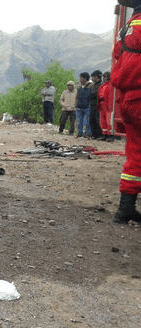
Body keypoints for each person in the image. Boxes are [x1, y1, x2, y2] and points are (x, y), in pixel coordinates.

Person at [111, 0, 141, 223]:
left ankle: (126, 208)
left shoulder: (126, 29)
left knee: (136, 152)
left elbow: (116, 56)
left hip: (128, 100)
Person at [98, 71, 115, 141]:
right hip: (102, 104)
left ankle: (110, 135)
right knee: (103, 120)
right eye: (103, 76)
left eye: (105, 76)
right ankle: (104, 134)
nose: (103, 77)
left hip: (109, 105)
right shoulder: (103, 85)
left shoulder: (111, 85)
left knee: (109, 120)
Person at [75, 72, 93, 138]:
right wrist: (76, 104)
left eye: (80, 77)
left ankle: (88, 134)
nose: (79, 79)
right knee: (79, 121)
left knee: (87, 121)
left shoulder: (91, 85)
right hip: (79, 106)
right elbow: (77, 96)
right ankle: (79, 133)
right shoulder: (79, 86)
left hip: (87, 106)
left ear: (84, 78)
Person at [89, 70, 104, 139]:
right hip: (92, 105)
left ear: (96, 76)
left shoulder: (102, 85)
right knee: (92, 120)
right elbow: (89, 94)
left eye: (92, 77)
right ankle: (94, 135)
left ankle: (100, 135)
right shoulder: (92, 85)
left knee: (98, 121)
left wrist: (92, 94)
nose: (91, 78)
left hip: (99, 106)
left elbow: (97, 94)